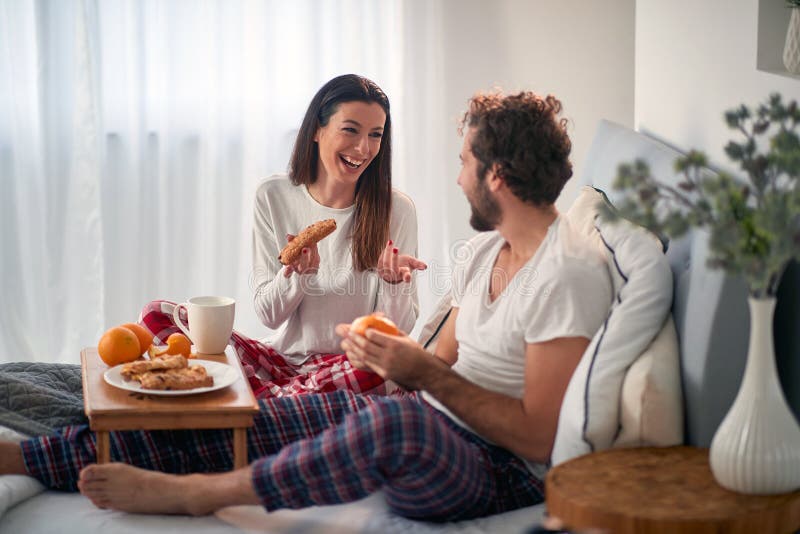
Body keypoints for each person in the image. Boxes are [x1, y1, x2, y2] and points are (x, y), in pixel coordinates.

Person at [0, 90, 613, 522]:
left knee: (393, 423)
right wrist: (396, 360)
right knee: (253, 423)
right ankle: (29, 455)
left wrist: (415, 369)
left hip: (492, 468)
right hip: (426, 417)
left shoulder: (565, 275)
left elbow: (536, 439)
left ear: (498, 175)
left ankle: (197, 495)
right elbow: (434, 358)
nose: (457, 178)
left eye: (465, 162)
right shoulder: (484, 256)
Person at [139, 74, 427, 398]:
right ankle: (289, 399)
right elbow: (269, 316)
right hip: (283, 361)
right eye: (351, 129)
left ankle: (267, 399)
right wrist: (297, 277)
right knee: (156, 314)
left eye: (376, 135)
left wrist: (393, 283)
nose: (363, 148)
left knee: (385, 373)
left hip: (352, 367)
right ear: (317, 130)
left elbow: (396, 334)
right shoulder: (272, 195)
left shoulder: (396, 209)